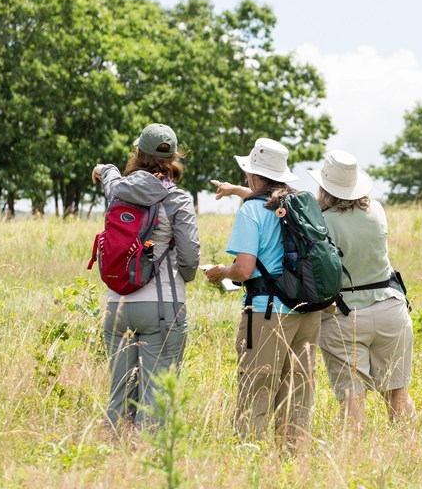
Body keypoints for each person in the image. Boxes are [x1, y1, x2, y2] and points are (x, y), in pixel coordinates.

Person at [205, 138, 321, 447]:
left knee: (256, 387)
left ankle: (250, 458)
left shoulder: (250, 212)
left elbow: (243, 270)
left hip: (267, 313)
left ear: (254, 175)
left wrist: (221, 273)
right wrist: (236, 190)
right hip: (308, 312)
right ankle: (292, 462)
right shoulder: (299, 204)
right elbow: (266, 200)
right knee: (297, 393)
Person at [92, 123, 200, 430]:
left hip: (118, 304)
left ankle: (113, 461)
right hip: (162, 308)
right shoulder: (177, 199)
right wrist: (185, 275)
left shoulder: (118, 191)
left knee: (119, 395)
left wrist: (102, 167)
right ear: (175, 158)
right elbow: (191, 258)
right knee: (155, 401)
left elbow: (109, 175)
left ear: (138, 153)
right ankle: (144, 466)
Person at [307, 150, 415, 429]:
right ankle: (412, 452)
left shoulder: (321, 220)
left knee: (352, 399)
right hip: (391, 307)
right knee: (398, 392)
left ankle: (353, 459)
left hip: (344, 316)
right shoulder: (376, 210)